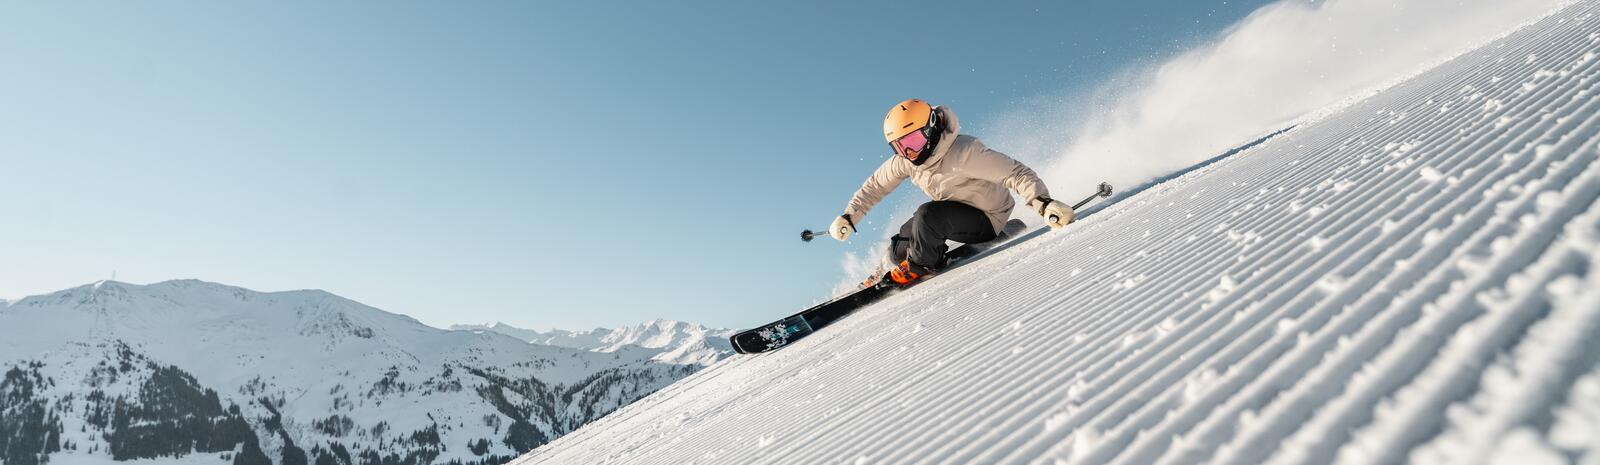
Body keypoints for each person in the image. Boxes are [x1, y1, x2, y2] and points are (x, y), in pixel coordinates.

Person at [829, 99, 1073, 286]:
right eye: (899, 147)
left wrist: (1044, 203)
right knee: (906, 235)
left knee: (927, 217)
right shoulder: (906, 160)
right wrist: (850, 216)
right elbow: (875, 186)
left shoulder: (965, 152)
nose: (909, 153)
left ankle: (919, 266)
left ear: (930, 128)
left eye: (912, 142)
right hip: (951, 210)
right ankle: (886, 265)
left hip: (987, 216)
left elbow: (1016, 173)